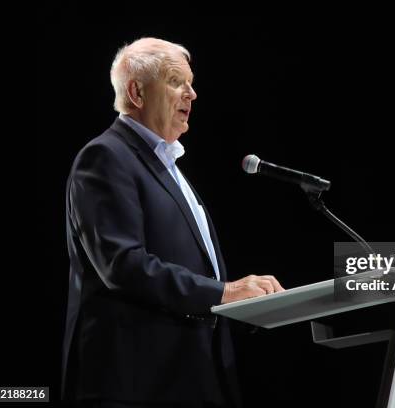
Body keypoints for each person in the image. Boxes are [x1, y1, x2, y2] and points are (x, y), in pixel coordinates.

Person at [62, 37, 284, 408]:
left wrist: (247, 306)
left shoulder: (167, 167)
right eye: (176, 81)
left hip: (193, 377)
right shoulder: (105, 157)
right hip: (136, 383)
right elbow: (124, 265)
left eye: (191, 82)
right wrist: (225, 293)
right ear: (136, 92)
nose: (192, 94)